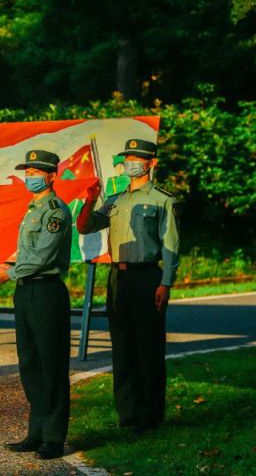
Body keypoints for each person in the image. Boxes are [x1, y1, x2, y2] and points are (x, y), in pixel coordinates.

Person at [76, 138, 179, 433]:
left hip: (147, 276)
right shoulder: (115, 200)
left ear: (151, 163)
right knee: (122, 349)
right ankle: (128, 415)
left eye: (136, 157)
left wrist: (166, 283)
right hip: (117, 278)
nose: (130, 162)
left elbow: (171, 245)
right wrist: (89, 199)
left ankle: (151, 417)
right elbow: (85, 226)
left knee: (148, 349)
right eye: (127, 157)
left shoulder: (163, 200)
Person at [0, 149, 73, 460]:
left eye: (37, 172)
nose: (31, 177)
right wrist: (9, 262)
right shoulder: (32, 208)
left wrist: (8, 273)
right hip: (26, 292)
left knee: (50, 364)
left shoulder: (55, 211)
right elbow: (26, 251)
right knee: (30, 364)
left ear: (52, 175)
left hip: (47, 291)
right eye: (28, 172)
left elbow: (43, 258)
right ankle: (36, 432)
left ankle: (54, 438)